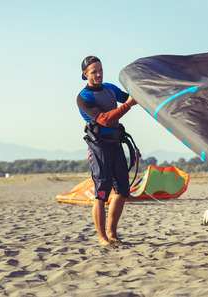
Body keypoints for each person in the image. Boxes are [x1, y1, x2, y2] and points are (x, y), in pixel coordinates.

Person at [77, 56, 138, 248]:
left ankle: (112, 233)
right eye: (94, 72)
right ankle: (102, 237)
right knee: (101, 193)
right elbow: (104, 119)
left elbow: (131, 94)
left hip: (115, 144)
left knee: (123, 190)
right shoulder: (83, 97)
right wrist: (127, 105)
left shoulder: (110, 88)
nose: (98, 74)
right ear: (85, 74)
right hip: (99, 148)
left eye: (100, 70)